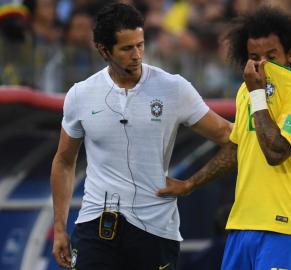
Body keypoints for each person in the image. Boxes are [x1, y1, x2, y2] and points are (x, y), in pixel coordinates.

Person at [50, 3, 232, 270]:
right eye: (126, 48)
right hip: (95, 225)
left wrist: (191, 184)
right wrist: (59, 229)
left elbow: (230, 137)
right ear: (103, 50)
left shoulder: (174, 88)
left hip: (154, 229)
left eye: (140, 45)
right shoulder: (80, 94)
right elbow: (64, 161)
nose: (137, 55)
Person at [158, 6, 291, 270]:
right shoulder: (246, 92)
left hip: (286, 227)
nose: (262, 65)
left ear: (290, 54)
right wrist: (190, 184)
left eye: (272, 56)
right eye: (254, 57)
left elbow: (276, 152)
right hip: (241, 226)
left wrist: (258, 94)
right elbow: (237, 147)